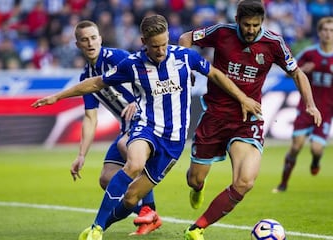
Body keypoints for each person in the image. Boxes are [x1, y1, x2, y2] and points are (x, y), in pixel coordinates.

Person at [32, 14, 262, 240]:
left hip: (173, 140)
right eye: (154, 47)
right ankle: (96, 228)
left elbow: (215, 74)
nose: (161, 51)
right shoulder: (132, 64)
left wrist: (242, 98)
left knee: (131, 198)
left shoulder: (184, 57)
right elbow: (96, 82)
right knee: (134, 164)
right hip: (146, 127)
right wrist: (58, 97)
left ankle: (111, 223)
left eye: (163, 44)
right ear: (143, 43)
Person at [178, 1, 322, 239]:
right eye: (246, 25)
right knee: (195, 179)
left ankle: (197, 228)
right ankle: (198, 188)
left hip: (248, 118)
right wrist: (187, 70)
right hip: (214, 115)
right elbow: (185, 38)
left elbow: (297, 72)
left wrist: (310, 104)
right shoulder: (221, 32)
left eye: (256, 25)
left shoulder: (273, 43)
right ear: (237, 20)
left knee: (244, 182)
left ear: (262, 23)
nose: (251, 30)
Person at [71, 20, 162, 235]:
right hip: (127, 127)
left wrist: (138, 98)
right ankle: (147, 213)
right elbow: (90, 118)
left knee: (125, 145)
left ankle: (149, 209)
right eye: (84, 40)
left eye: (93, 38)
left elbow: (149, 69)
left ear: (100, 39)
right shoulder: (86, 77)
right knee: (106, 178)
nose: (90, 43)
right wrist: (81, 155)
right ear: (78, 45)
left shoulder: (116, 57)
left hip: (146, 118)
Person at [273, 16, 333, 193]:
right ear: (319, 32)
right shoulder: (308, 53)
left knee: (316, 149)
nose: (328, 34)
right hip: (305, 108)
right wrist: (302, 71)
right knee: (296, 146)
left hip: (326, 111)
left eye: (331, 31)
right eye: (325, 30)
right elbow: (287, 72)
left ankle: (315, 161)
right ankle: (283, 184)